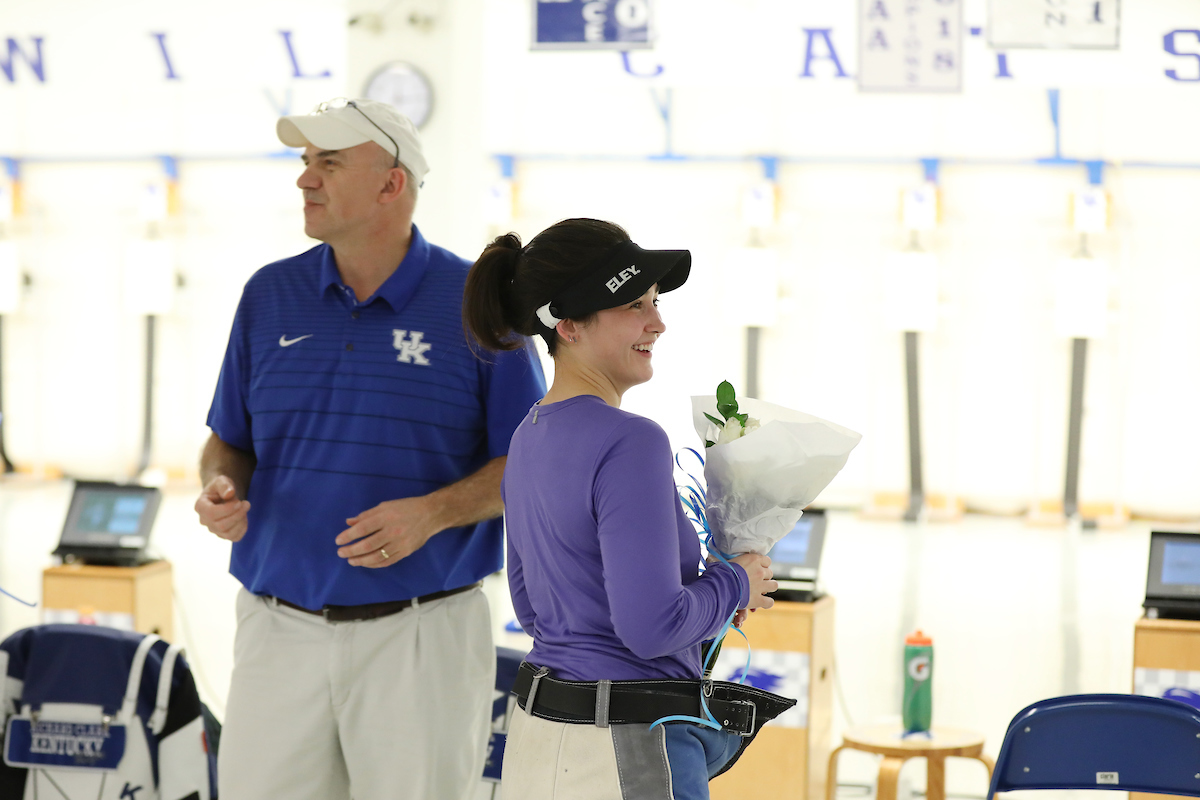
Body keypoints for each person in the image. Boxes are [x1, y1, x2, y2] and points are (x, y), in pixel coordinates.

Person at [194, 98, 546, 800]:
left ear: (392, 185)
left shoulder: (480, 302)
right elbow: (227, 441)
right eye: (304, 163)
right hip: (275, 632)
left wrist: (435, 513)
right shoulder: (268, 296)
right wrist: (218, 488)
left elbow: (536, 466)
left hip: (420, 638)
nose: (305, 179)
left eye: (328, 163)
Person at [462, 218, 781, 799]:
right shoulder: (629, 440)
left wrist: (702, 605)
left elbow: (535, 611)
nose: (657, 322)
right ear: (568, 323)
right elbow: (651, 626)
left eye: (655, 303)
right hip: (624, 749)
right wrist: (736, 583)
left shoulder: (528, 436)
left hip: (539, 743)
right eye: (635, 304)